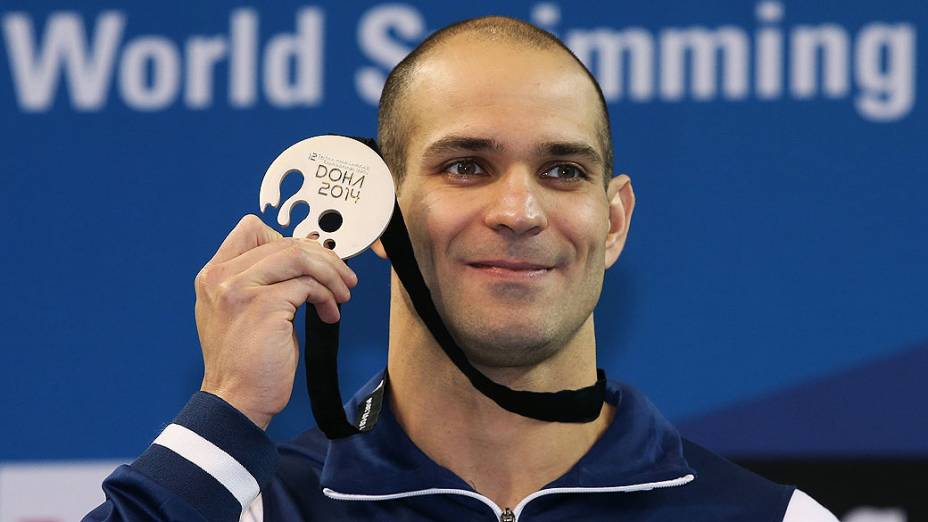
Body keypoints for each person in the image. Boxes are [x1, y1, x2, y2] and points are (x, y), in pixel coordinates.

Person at [85, 16, 837, 522]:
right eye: (467, 165)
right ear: (377, 209)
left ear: (613, 221)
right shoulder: (249, 507)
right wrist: (228, 411)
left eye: (564, 170)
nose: (519, 211)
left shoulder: (774, 520)